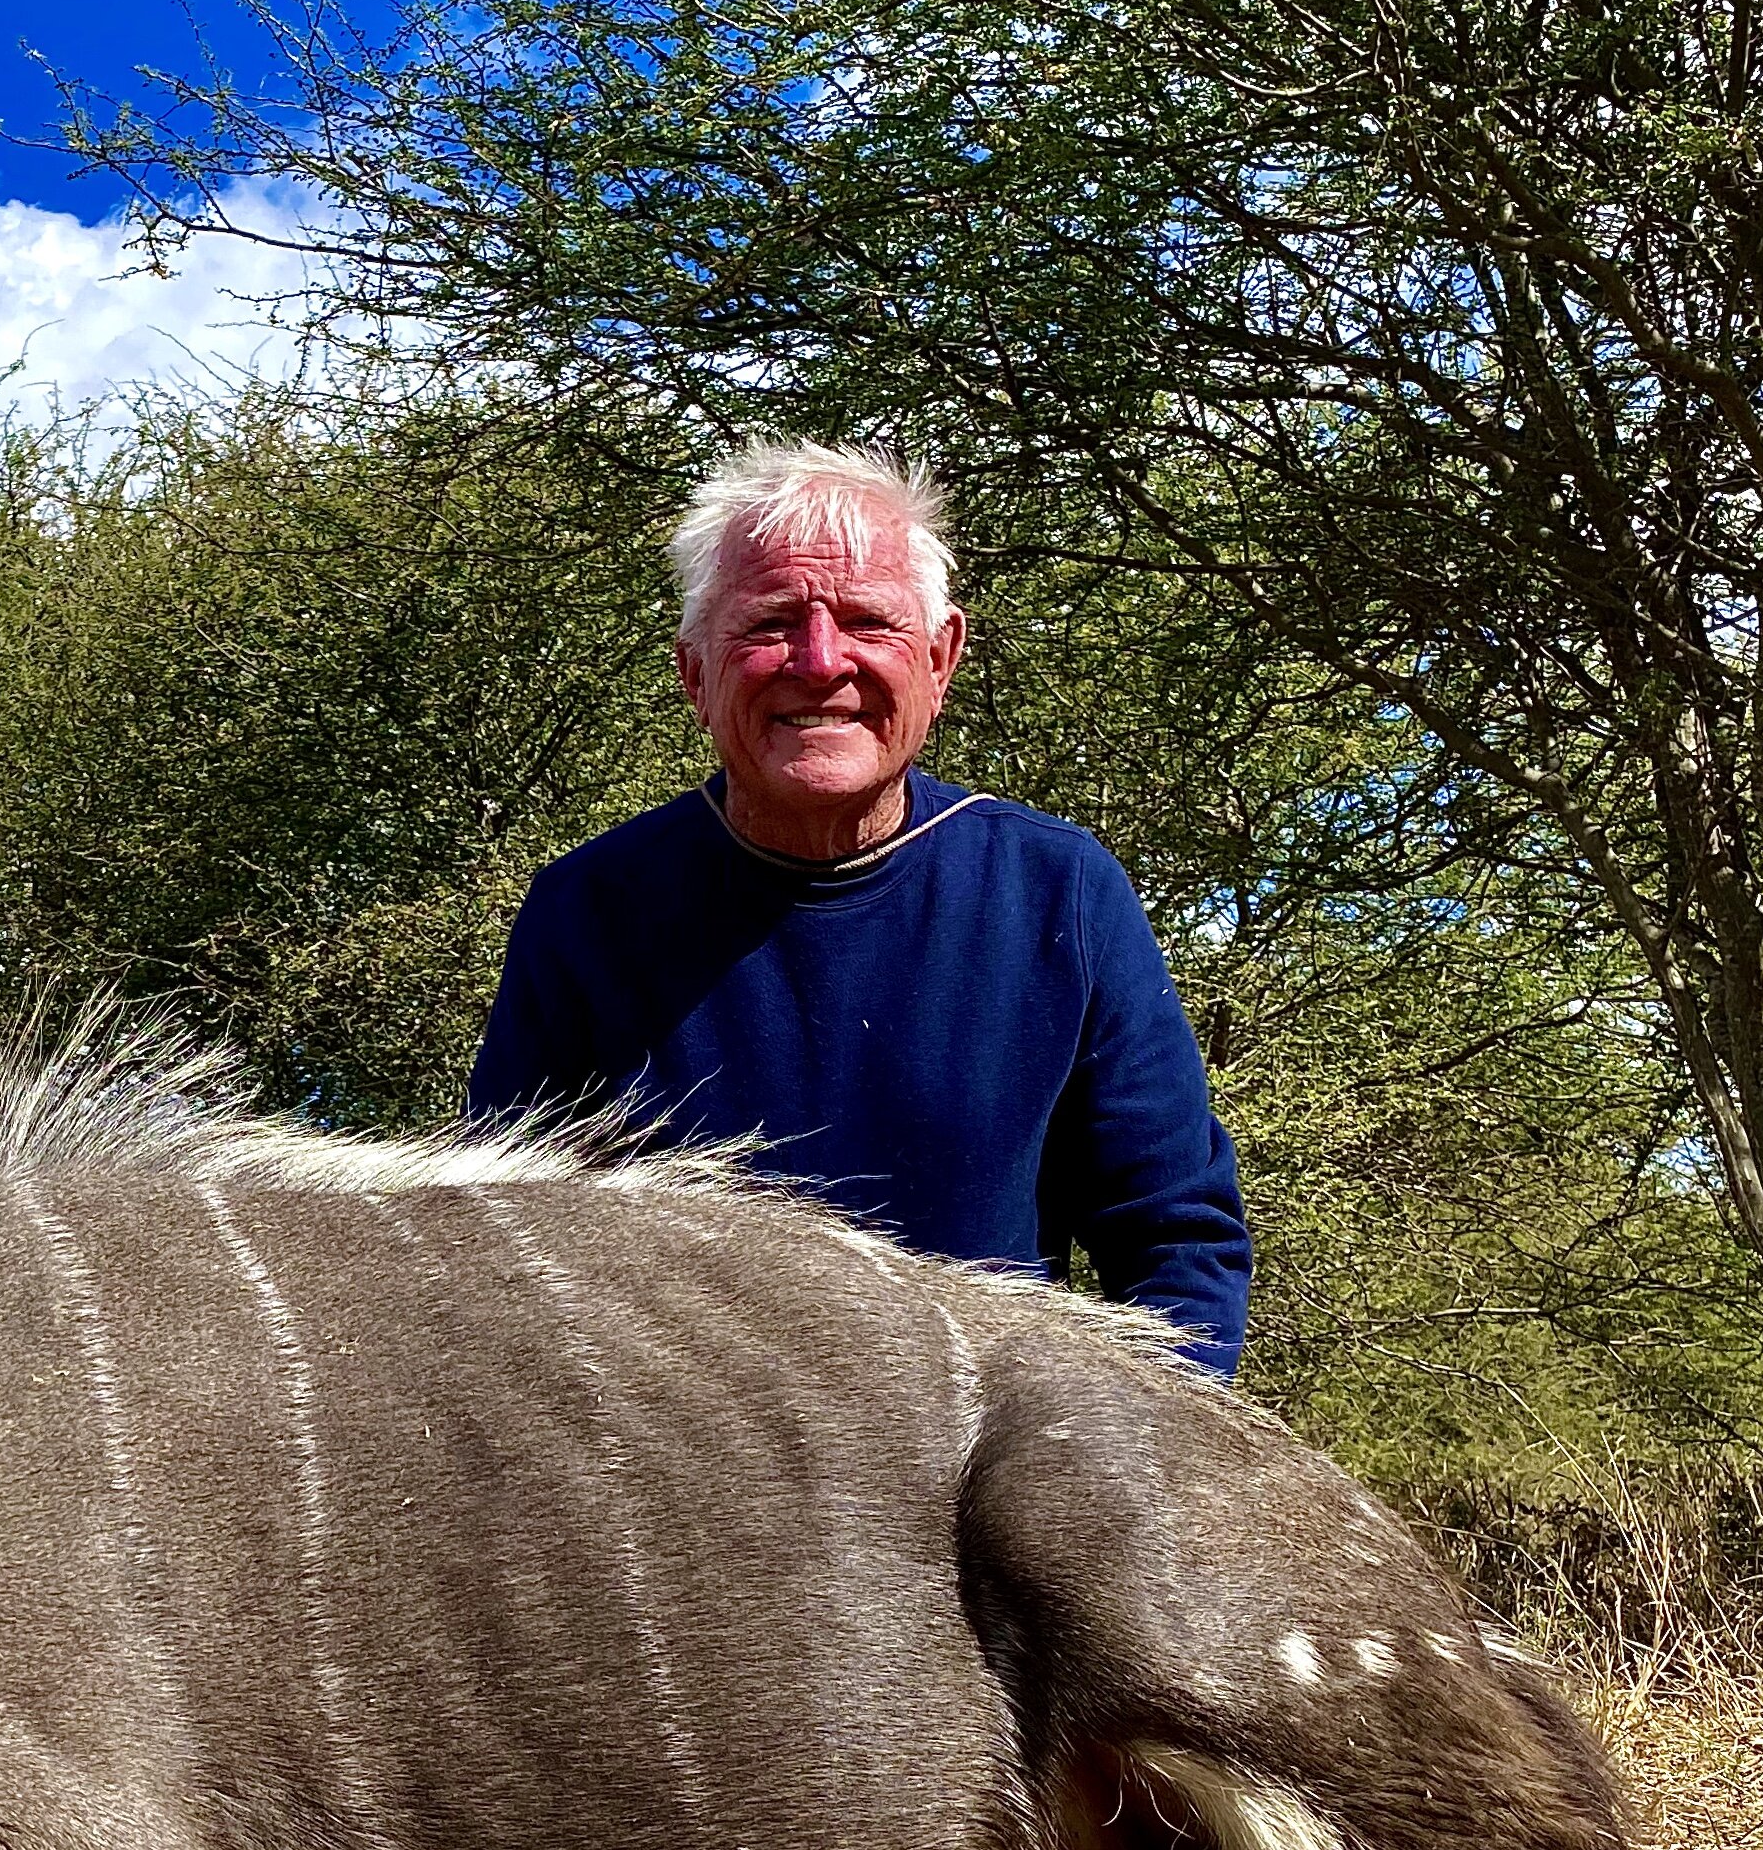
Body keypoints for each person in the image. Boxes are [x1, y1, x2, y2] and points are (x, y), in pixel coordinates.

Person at [466, 437, 1253, 1372]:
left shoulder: (1058, 892)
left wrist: (1113, 1488)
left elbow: (1175, 1247)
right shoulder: (588, 910)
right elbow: (502, 1259)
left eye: (867, 621)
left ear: (939, 656)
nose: (818, 660)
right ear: (693, 674)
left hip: (978, 1479)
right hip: (680, 1491)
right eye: (768, 624)